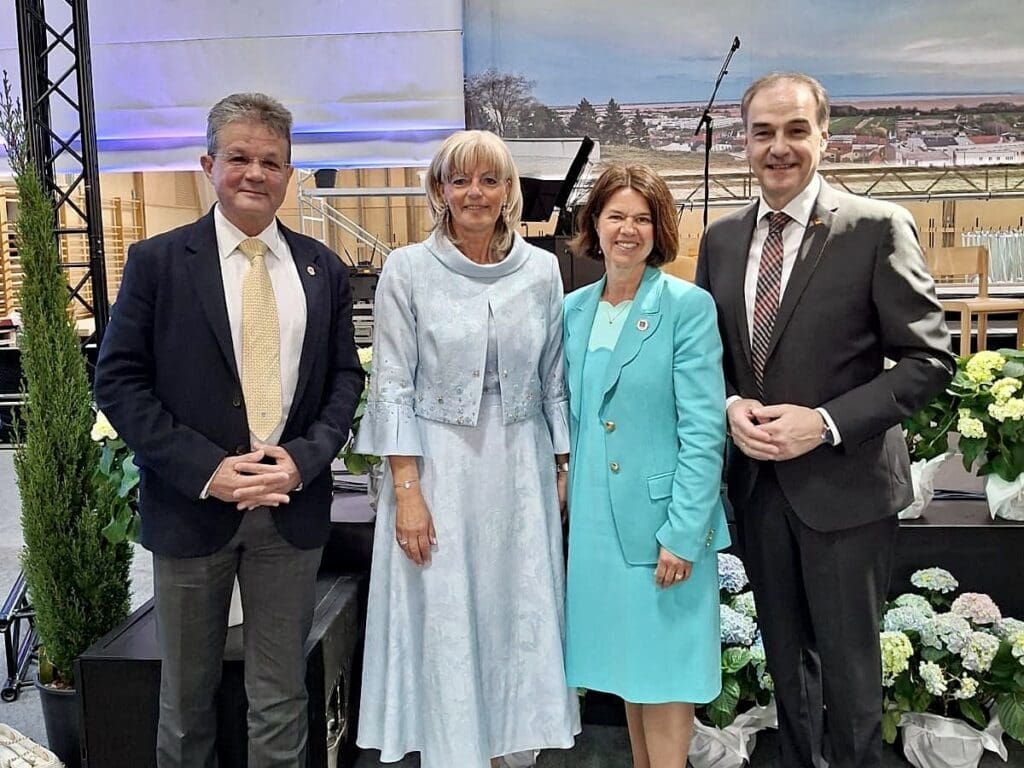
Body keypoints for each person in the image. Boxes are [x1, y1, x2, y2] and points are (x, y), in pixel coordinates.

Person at [94, 92, 364, 768]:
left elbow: (344, 383)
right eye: (239, 157)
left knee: (280, 701)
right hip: (191, 511)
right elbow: (119, 382)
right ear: (207, 164)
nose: (255, 173)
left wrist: (302, 461)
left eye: (271, 161)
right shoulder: (157, 263)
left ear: (289, 174)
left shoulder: (322, 269)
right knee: (185, 707)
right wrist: (208, 470)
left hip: (290, 512)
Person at [695, 73, 954, 768]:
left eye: (795, 130)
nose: (779, 147)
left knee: (851, 674)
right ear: (744, 141)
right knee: (788, 669)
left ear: (824, 136)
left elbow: (928, 361)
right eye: (763, 132)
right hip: (759, 491)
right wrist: (727, 406)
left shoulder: (875, 228)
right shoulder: (719, 241)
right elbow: (705, 359)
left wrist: (826, 422)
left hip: (846, 489)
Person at [354, 129, 579, 768]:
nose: (475, 193)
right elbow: (392, 383)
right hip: (437, 471)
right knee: (446, 609)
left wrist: (562, 465)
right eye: (461, 180)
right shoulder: (407, 270)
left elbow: (554, 378)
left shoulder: (541, 271)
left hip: (520, 469)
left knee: (517, 608)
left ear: (509, 191)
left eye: (490, 180)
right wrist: (406, 491)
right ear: (439, 191)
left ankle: (512, 748)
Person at [563, 164, 731, 768]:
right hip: (597, 530)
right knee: (633, 676)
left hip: (664, 529)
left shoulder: (687, 306)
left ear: (659, 230)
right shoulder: (573, 311)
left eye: (641, 218)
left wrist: (683, 533)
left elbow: (705, 428)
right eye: (616, 216)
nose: (627, 230)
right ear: (594, 225)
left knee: (665, 680)